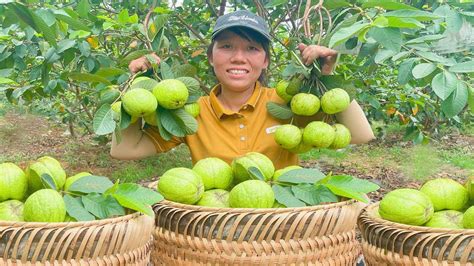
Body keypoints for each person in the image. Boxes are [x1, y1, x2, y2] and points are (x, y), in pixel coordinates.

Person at [111, 10, 375, 169]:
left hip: (281, 229)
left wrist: (328, 78)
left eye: (252, 48)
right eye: (226, 47)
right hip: (216, 229)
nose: (239, 57)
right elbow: (124, 151)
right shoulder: (190, 112)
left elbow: (360, 135)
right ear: (211, 57)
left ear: (265, 60)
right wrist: (136, 90)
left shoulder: (287, 103)